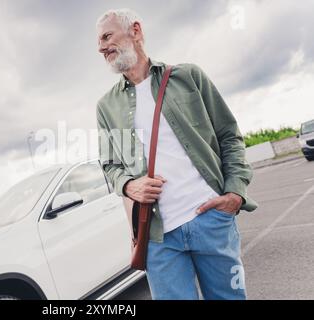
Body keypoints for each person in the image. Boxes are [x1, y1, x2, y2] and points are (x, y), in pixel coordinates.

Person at [95, 8, 258, 300]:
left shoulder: (188, 77)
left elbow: (229, 136)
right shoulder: (106, 107)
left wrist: (235, 193)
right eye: (98, 42)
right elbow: (109, 166)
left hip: (211, 220)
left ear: (135, 30)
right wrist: (130, 185)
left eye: (107, 36)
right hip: (158, 237)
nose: (101, 47)